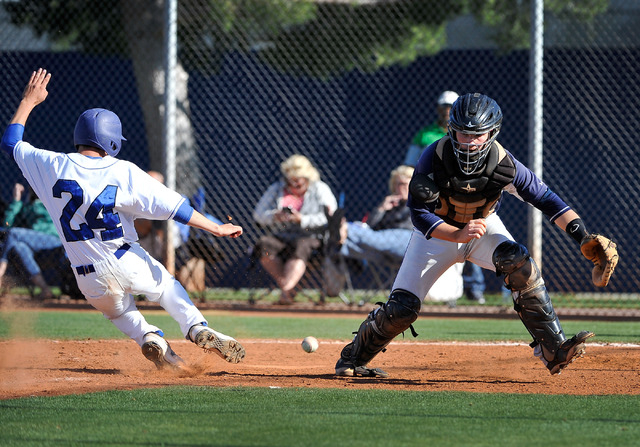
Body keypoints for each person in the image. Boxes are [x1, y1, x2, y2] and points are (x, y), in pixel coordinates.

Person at [334, 92, 618, 378]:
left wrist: (582, 237)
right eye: (461, 133)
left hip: (483, 228)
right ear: (451, 130)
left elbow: (547, 200)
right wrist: (457, 233)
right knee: (402, 309)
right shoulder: (434, 156)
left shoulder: (504, 163)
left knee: (517, 261)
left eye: (477, 135)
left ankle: (553, 350)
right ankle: (352, 358)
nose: (468, 141)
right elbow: (419, 215)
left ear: (492, 132)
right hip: (437, 234)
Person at [1, 68, 246, 370]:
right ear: (112, 142)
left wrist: (28, 101)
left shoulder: (51, 165)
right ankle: (196, 327)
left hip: (86, 273)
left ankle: (149, 337)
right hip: (125, 258)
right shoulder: (123, 170)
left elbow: (11, 144)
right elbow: (174, 206)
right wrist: (215, 227)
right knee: (167, 287)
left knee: (118, 312)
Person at [325, 165, 463, 304]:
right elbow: (370, 228)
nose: (399, 188)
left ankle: (343, 230)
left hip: (410, 242)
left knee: (372, 238)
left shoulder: (422, 201)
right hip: (386, 250)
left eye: (404, 184)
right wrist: (381, 209)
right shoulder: (390, 205)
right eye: (397, 184)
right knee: (359, 242)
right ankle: (341, 236)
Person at [404, 90, 487, 304]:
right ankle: (442, 292)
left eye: (451, 106)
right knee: (443, 236)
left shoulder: (471, 132)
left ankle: (474, 288)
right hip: (434, 192)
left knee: (474, 234)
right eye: (443, 106)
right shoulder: (426, 134)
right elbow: (410, 165)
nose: (446, 110)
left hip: (465, 190)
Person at [252, 154, 337, 305]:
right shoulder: (277, 188)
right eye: (291, 182)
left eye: (299, 182)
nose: (295, 185)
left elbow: (331, 216)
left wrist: (302, 219)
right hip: (283, 235)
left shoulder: (320, 189)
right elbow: (258, 215)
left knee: (301, 245)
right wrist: (274, 216)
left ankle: (286, 291)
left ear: (307, 178)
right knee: (264, 244)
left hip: (310, 235)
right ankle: (288, 289)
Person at [0, 182, 63, 299]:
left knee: (14, 233)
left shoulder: (54, 203)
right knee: (18, 246)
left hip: (54, 245)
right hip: (35, 251)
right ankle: (45, 289)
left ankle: (1, 271)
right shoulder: (27, 207)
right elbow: (7, 225)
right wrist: (16, 200)